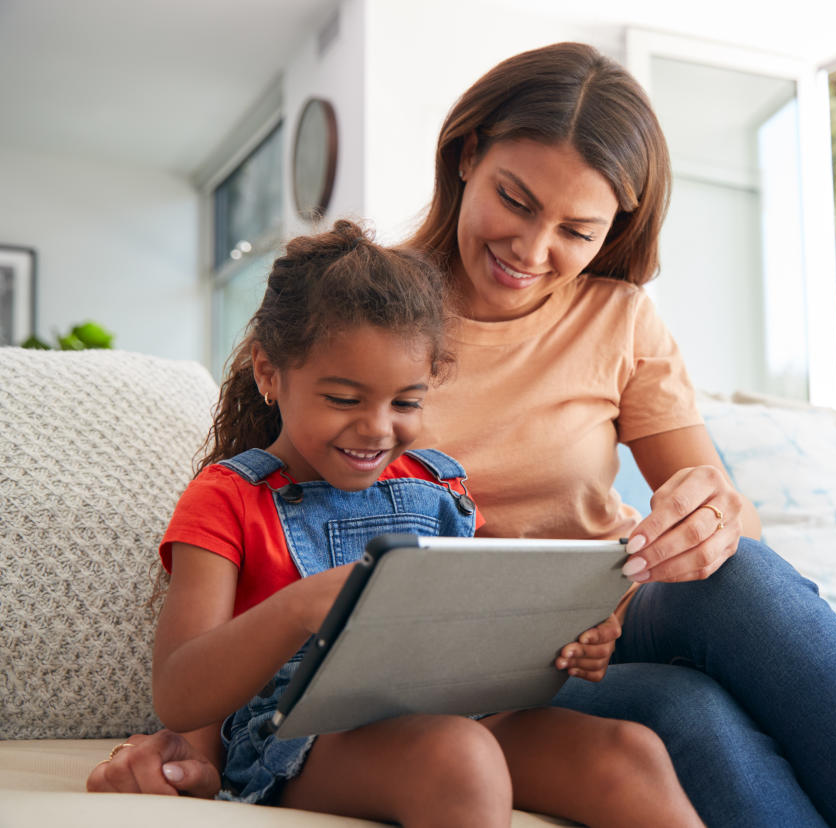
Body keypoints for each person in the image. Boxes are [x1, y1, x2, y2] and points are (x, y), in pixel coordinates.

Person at [90, 43, 836, 827]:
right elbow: (250, 529)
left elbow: (723, 535)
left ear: (612, 230)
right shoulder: (367, 315)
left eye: (577, 231)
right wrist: (191, 742)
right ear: (469, 156)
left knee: (751, 577)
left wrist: (708, 514)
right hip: (464, 658)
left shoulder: (621, 319)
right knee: (691, 714)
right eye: (515, 198)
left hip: (602, 620)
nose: (532, 248)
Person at [121, 218, 703, 827]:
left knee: (629, 753)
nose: (378, 428)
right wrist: (302, 607)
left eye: (405, 402)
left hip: (457, 709)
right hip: (300, 737)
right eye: (344, 399)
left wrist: (573, 640)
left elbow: (483, 625)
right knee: (460, 757)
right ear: (270, 374)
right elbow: (179, 689)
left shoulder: (438, 488)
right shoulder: (227, 499)